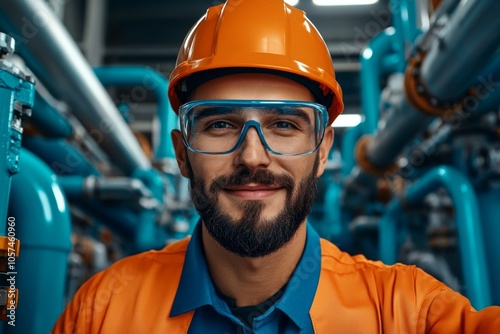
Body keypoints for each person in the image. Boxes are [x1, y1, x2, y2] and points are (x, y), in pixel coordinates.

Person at [52, 0, 500, 333]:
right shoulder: (103, 312)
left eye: (283, 124)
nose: (252, 157)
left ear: (323, 149)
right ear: (183, 152)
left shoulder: (408, 313)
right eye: (221, 124)